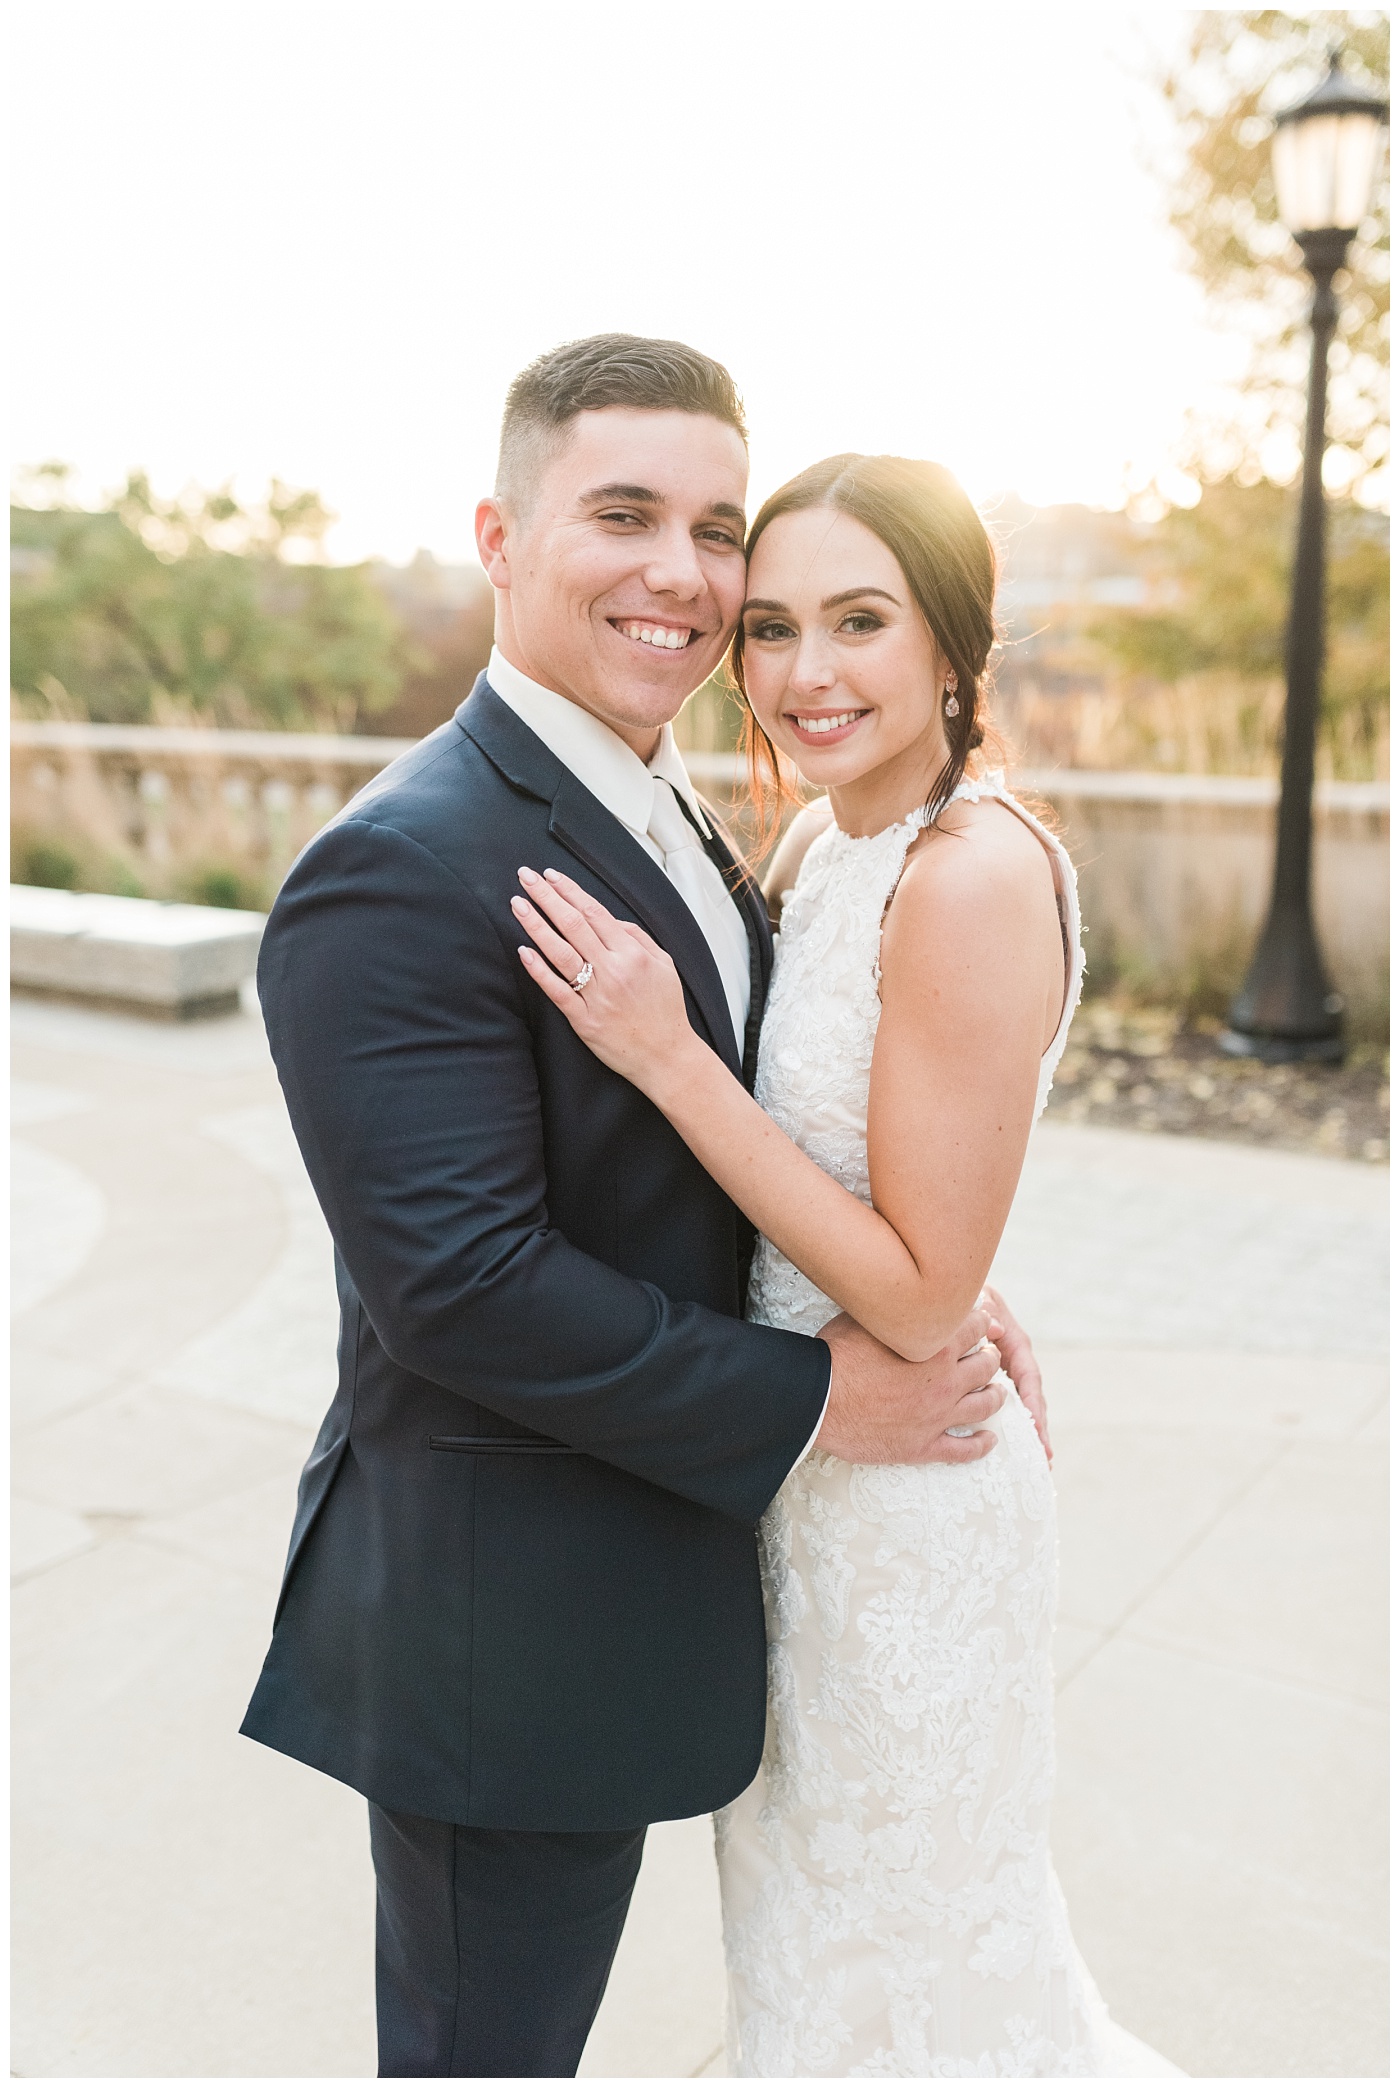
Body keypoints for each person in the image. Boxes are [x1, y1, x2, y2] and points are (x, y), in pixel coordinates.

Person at [239, 338, 1048, 2079]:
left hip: (676, 1572)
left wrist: (933, 1271)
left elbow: (771, 1137)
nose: (681, 573)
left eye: (713, 527)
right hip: (502, 1617)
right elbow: (459, 1286)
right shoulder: (401, 863)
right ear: (501, 534)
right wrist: (833, 1387)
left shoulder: (690, 805)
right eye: (623, 514)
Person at [514, 453, 1180, 2076]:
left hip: (906, 1514)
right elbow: (875, 1191)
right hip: (800, 1471)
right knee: (806, 1931)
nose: (806, 676)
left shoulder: (971, 876)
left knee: (921, 1943)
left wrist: (671, 1063)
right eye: (775, 629)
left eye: (861, 623)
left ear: (954, 647)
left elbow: (920, 1293)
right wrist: (932, 1262)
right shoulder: (829, 845)